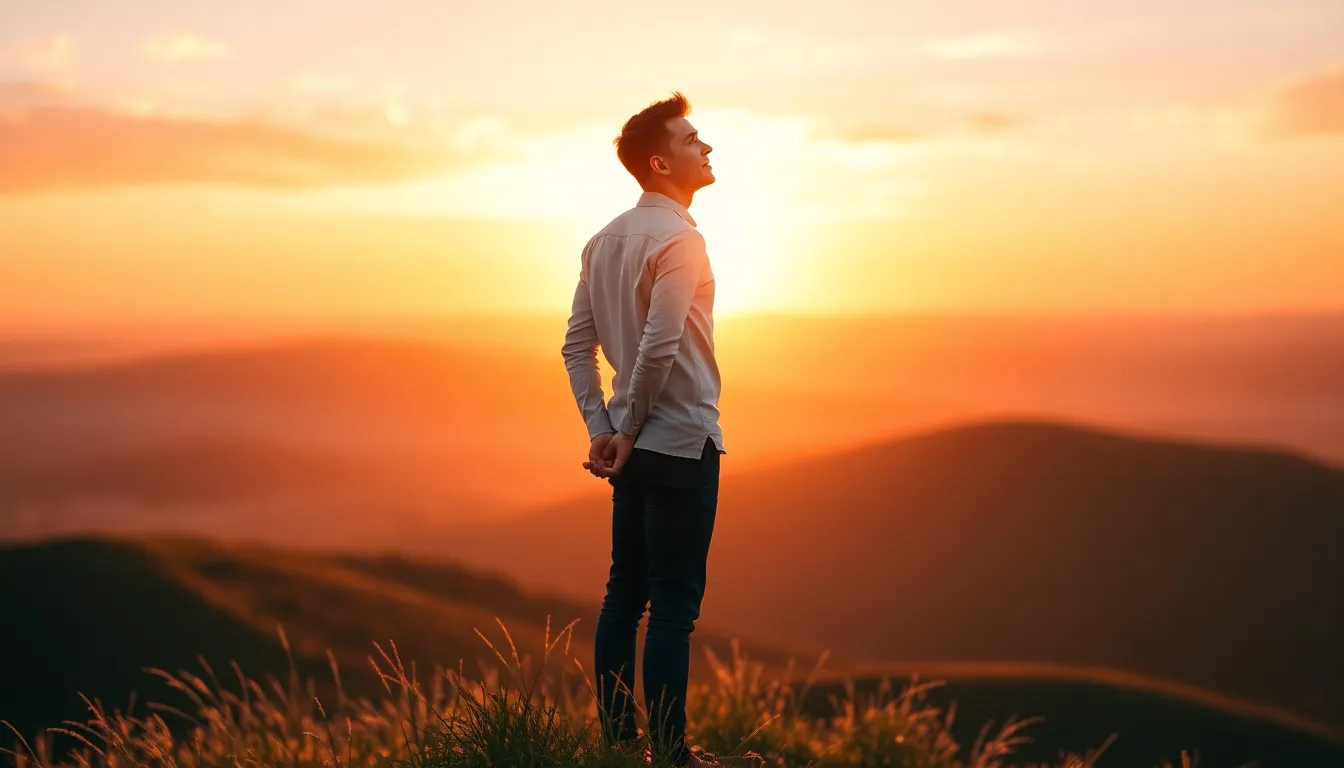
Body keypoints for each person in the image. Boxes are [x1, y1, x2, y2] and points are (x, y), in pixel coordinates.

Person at [560, 91, 725, 767]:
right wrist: (624, 428)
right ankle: (670, 754)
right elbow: (658, 345)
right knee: (674, 608)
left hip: (630, 451)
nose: (706, 147)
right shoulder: (681, 240)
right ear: (659, 163)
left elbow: (576, 346)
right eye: (692, 140)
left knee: (624, 594)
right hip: (681, 441)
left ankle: (620, 747)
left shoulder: (602, 241)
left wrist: (604, 429)